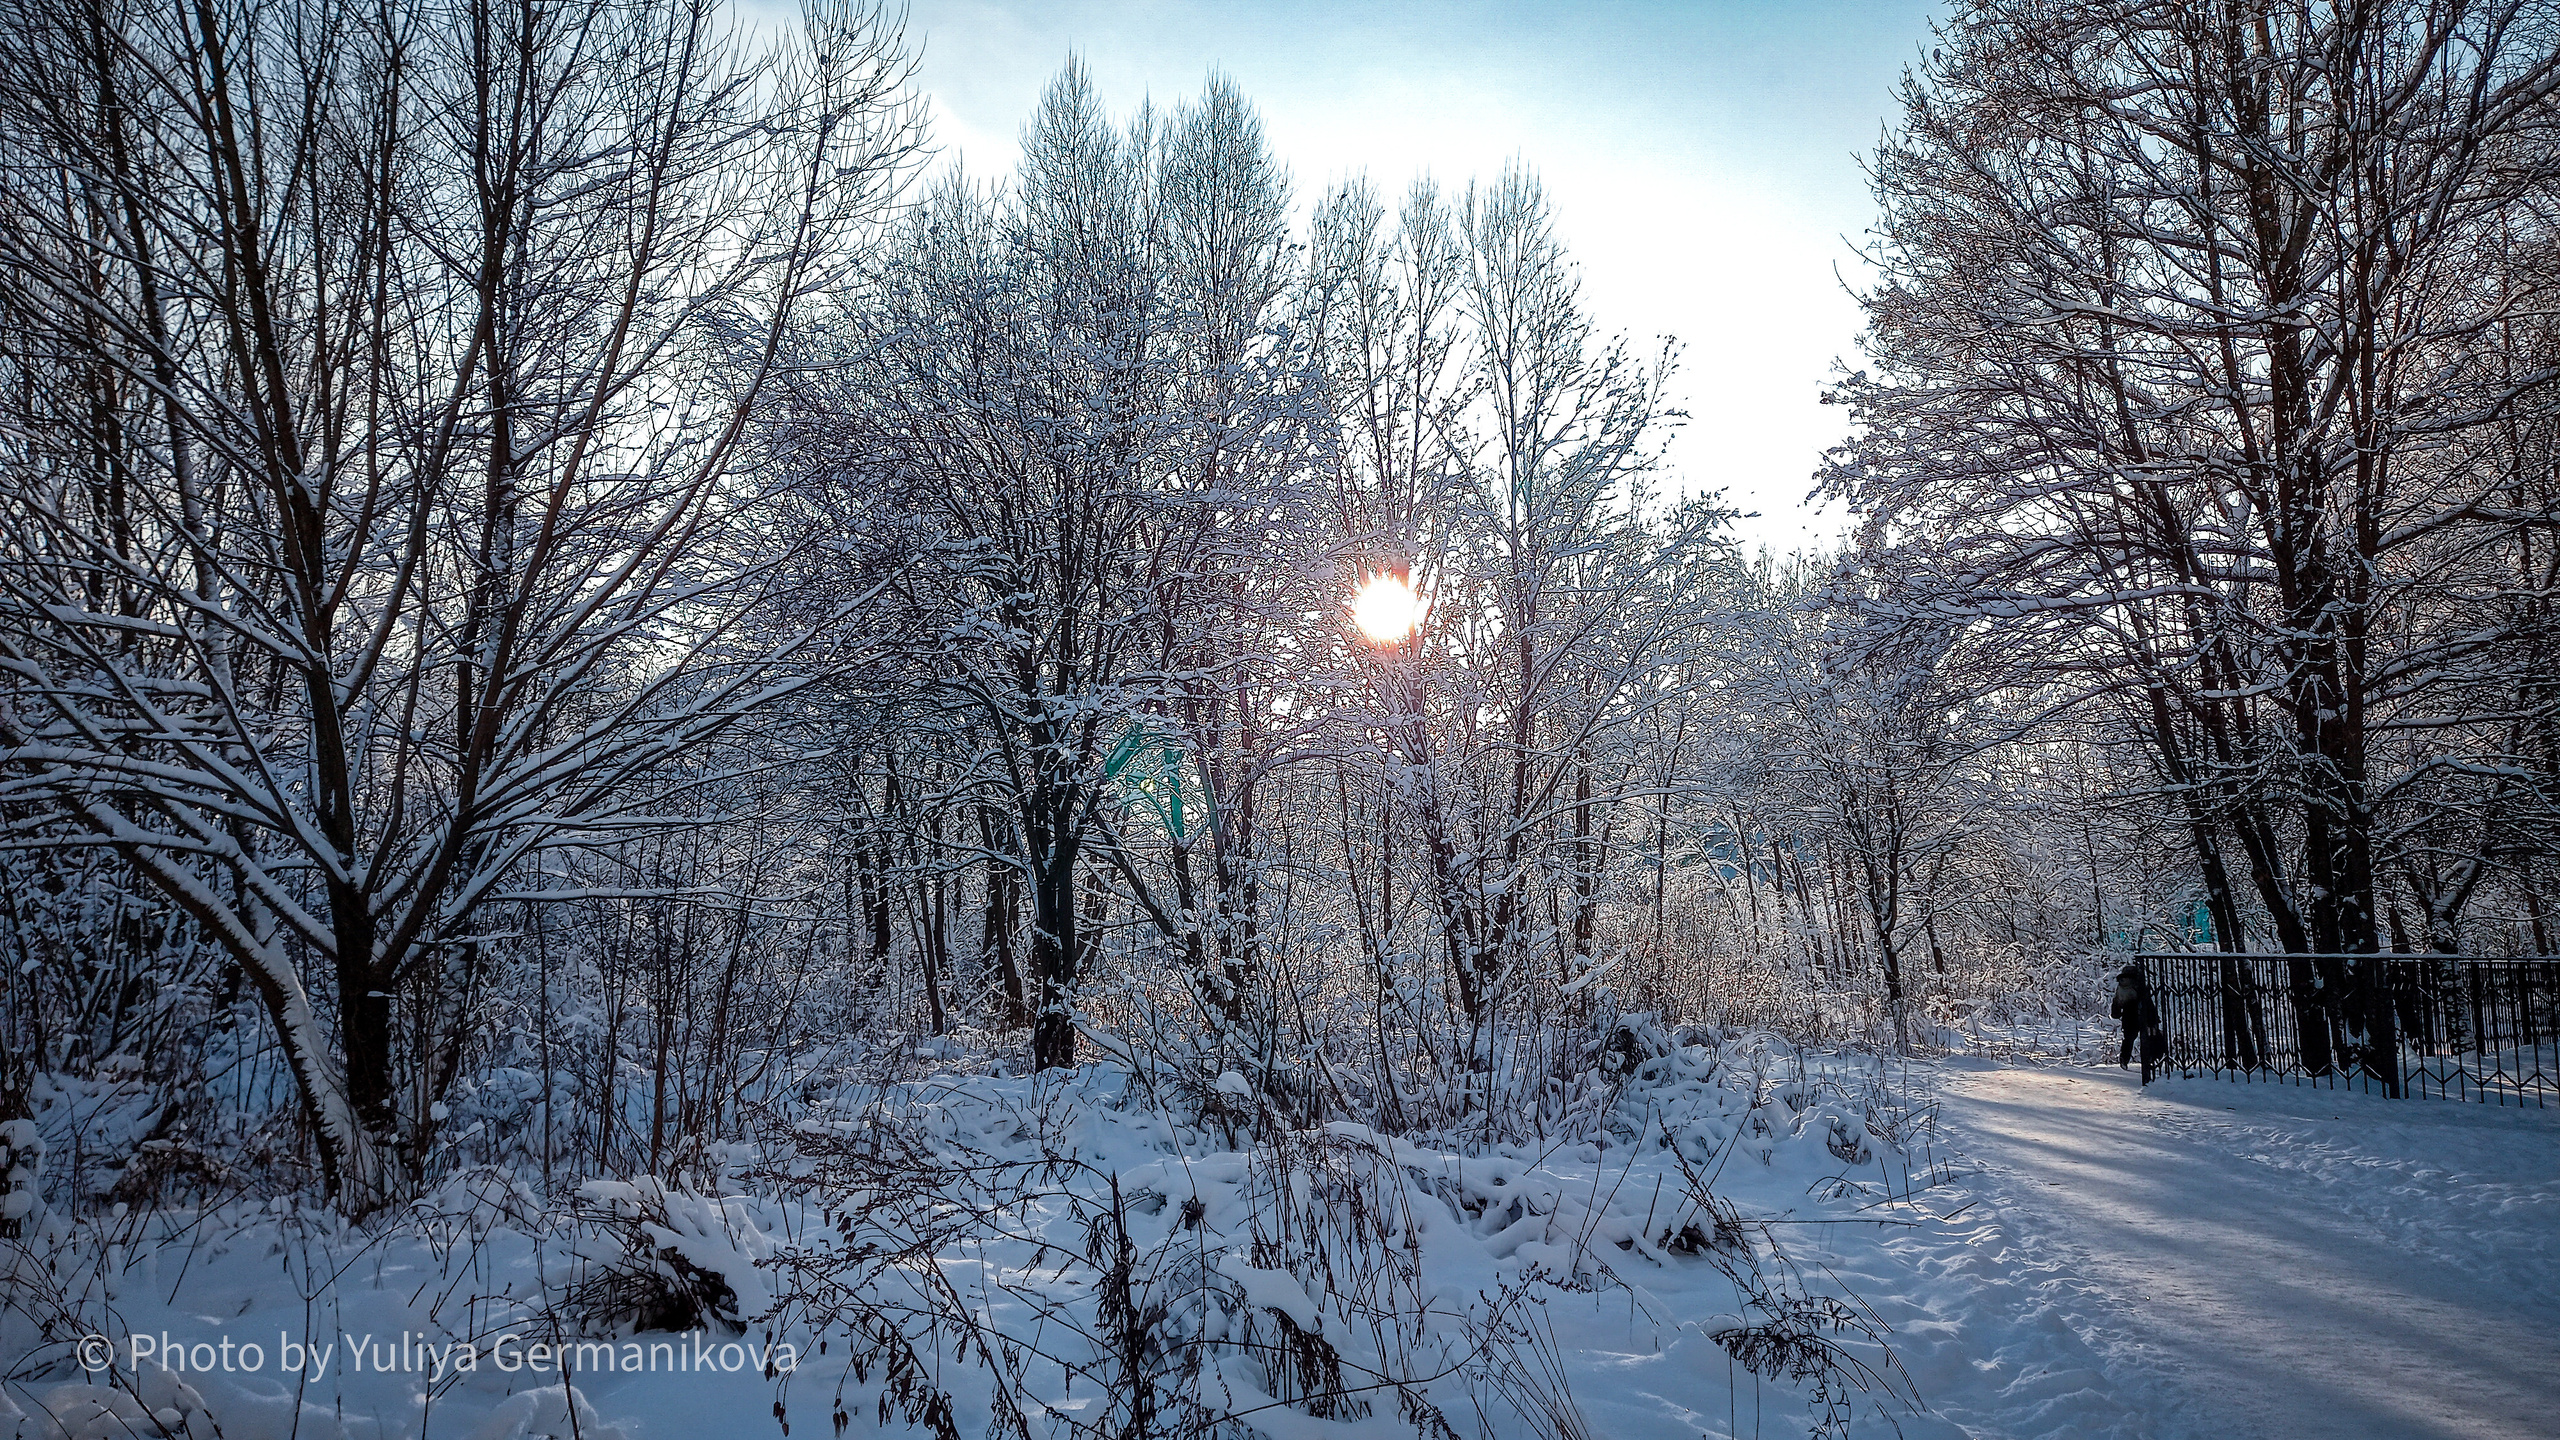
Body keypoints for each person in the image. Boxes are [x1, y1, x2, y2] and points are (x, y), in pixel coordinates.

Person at [2111, 963, 2164, 1083]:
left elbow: (2116, 1003)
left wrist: (2116, 1013)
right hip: (2142, 1014)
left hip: (2128, 1016)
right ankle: (2150, 1059)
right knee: (2149, 1037)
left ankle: (2124, 1059)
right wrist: (2154, 1017)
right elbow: (2147, 1002)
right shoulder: (2137, 984)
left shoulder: (2121, 986)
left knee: (2128, 1038)